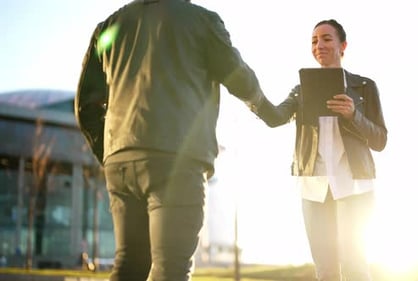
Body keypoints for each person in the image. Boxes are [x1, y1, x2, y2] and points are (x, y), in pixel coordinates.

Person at [74, 0, 273, 280]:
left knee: (129, 265)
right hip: (175, 159)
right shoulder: (201, 21)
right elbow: (238, 77)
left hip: (120, 162)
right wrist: (268, 110)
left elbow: (85, 105)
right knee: (170, 269)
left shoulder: (109, 27)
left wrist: (110, 152)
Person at [256, 19, 388, 280]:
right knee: (326, 271)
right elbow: (274, 117)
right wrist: (251, 95)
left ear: (343, 46)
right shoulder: (301, 91)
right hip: (314, 188)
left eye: (327, 39)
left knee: (355, 267)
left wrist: (354, 115)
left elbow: (381, 140)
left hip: (355, 185)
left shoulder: (365, 87)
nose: (319, 45)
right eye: (314, 41)